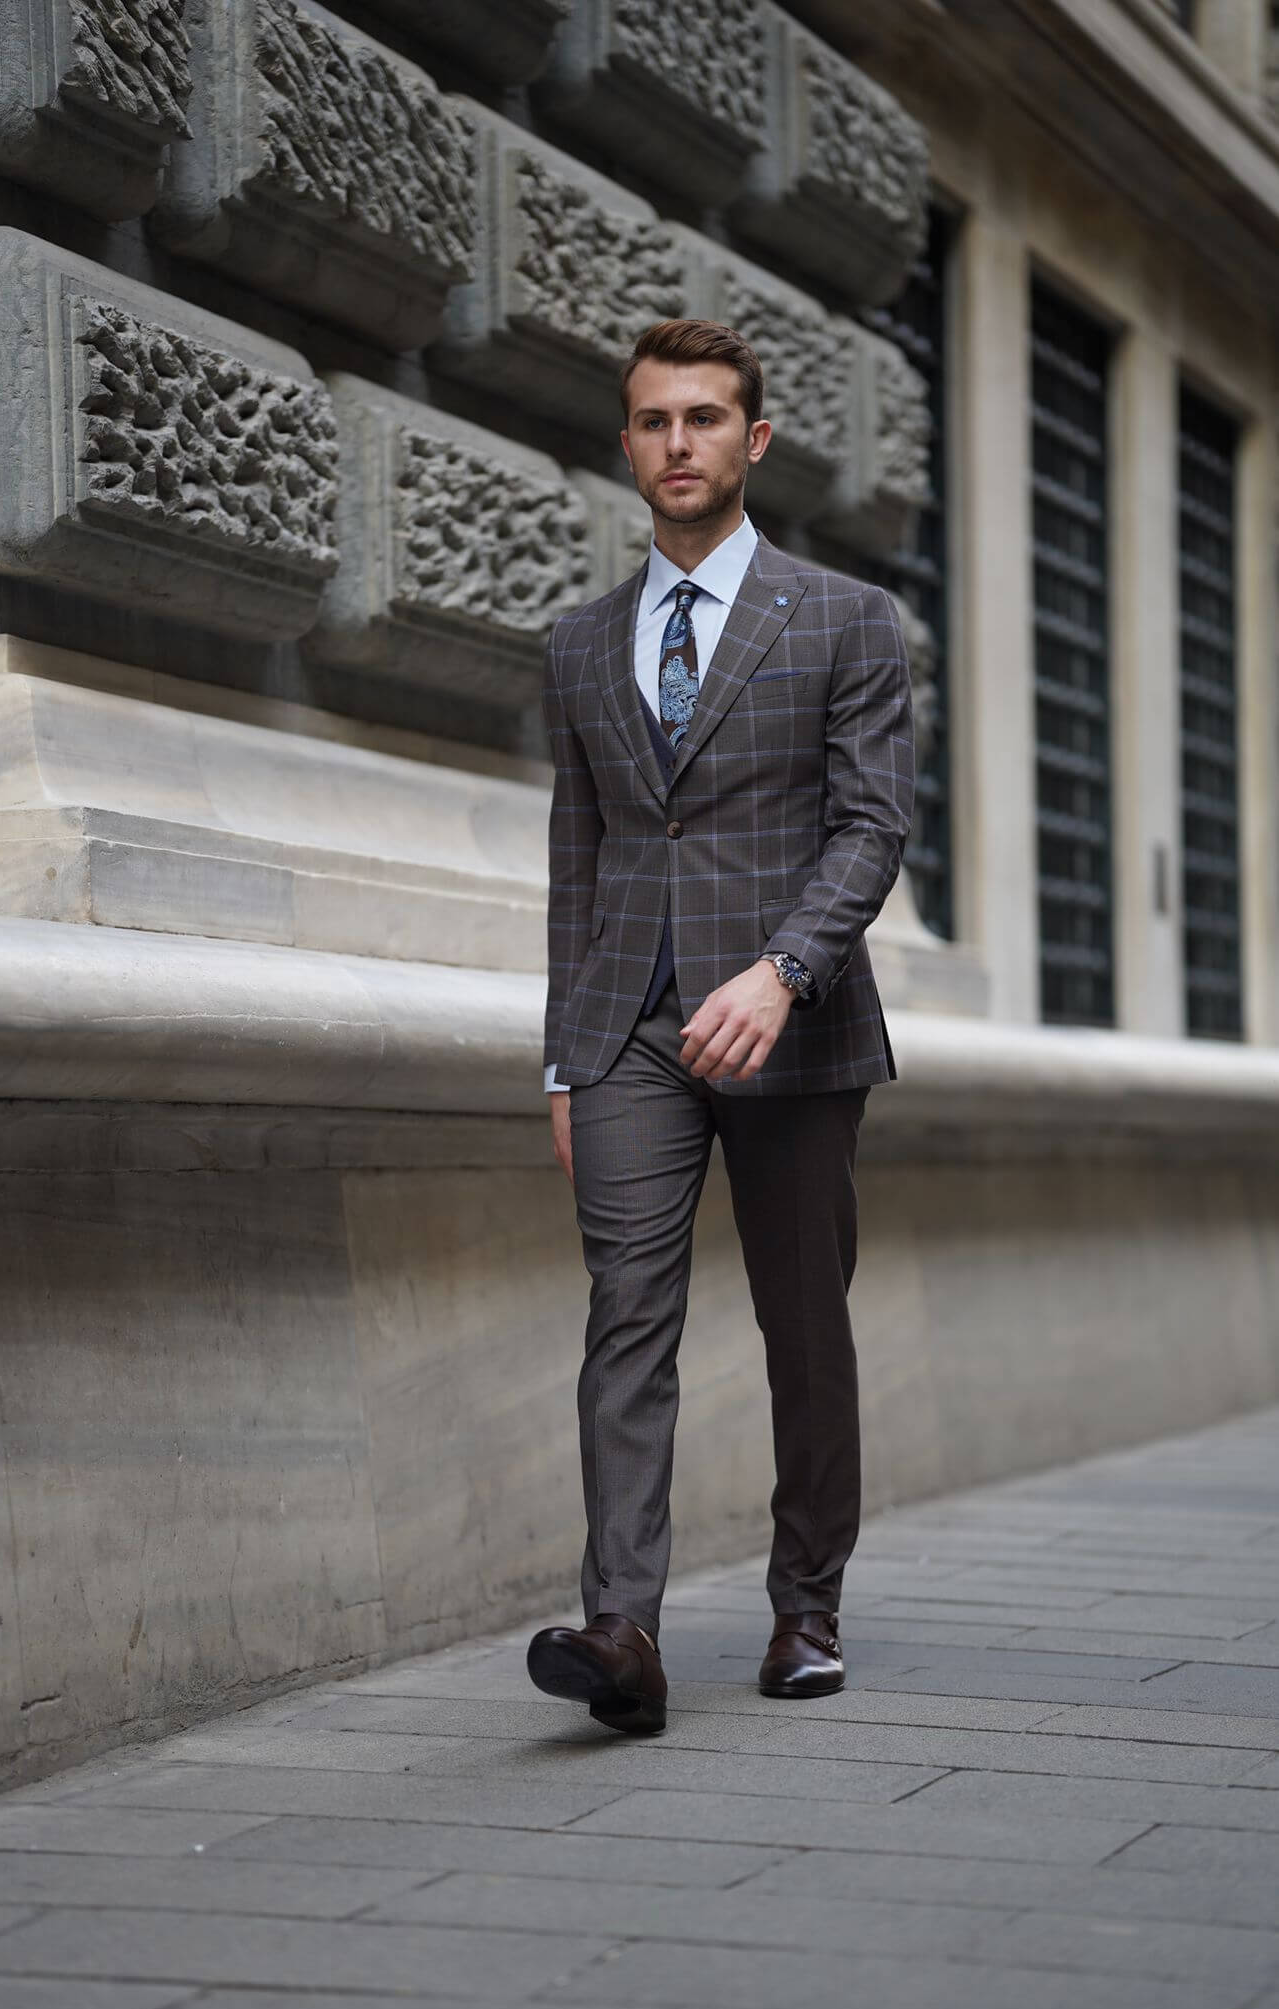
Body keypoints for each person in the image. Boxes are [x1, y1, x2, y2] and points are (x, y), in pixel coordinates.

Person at [526, 319, 915, 1735]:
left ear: (753, 442)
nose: (677, 443)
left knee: (803, 1324)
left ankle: (804, 1603)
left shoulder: (847, 621)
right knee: (626, 1315)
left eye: (703, 419)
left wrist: (784, 972)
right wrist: (564, 1059)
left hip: (790, 1030)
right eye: (652, 422)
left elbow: (874, 827)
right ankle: (622, 1628)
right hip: (627, 1025)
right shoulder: (577, 649)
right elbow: (580, 862)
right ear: (627, 447)